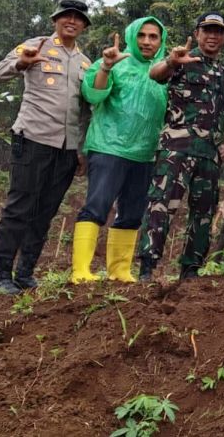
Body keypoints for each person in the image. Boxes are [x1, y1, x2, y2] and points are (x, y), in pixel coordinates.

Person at [0, 0, 92, 294]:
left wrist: (81, 150)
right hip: (33, 139)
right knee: (19, 207)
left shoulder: (86, 63)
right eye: (65, 16)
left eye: (77, 18)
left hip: (67, 149)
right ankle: (1, 276)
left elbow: (84, 112)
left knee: (45, 211)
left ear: (84, 25)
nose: (71, 21)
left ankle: (25, 274)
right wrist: (21, 63)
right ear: (55, 20)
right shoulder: (37, 45)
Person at [138, 12, 224, 281]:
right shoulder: (183, 60)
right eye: (207, 30)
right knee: (161, 205)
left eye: (218, 32)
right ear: (197, 33)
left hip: (208, 154)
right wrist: (172, 61)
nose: (212, 36)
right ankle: (148, 267)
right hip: (176, 149)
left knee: (203, 214)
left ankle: (191, 269)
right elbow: (155, 74)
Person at [72, 16, 168, 284]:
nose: (147, 41)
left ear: (161, 41)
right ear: (132, 36)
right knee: (97, 206)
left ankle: (120, 271)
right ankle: (81, 270)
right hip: (109, 148)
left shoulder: (165, 71)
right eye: (142, 35)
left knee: (133, 212)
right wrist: (105, 66)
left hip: (145, 153)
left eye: (153, 37)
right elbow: (94, 95)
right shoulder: (115, 63)